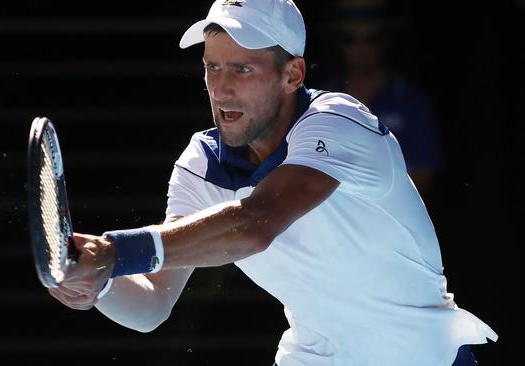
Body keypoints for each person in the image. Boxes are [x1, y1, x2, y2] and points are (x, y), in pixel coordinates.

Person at [48, 1, 497, 365]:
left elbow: (256, 224)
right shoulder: (200, 164)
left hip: (423, 357)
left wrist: (112, 253)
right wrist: (97, 284)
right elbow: (152, 306)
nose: (220, 90)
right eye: (212, 68)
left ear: (292, 75)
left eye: (242, 70)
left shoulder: (339, 121)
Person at [319, 0, 444, 198]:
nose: (360, 46)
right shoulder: (320, 100)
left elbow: (424, 170)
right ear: (337, 43)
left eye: (372, 38)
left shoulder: (410, 101)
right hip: (334, 218)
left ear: (387, 40)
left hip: (392, 217)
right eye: (348, 38)